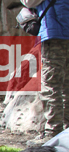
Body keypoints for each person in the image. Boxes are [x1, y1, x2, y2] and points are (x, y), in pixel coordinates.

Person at [23, 0, 68, 142]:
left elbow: (29, 2)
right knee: (66, 84)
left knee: (50, 85)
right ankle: (66, 132)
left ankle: (53, 133)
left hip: (55, 32)